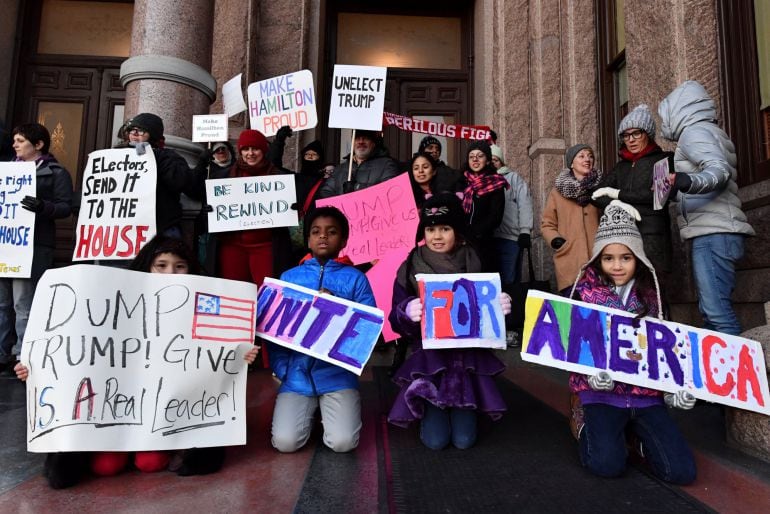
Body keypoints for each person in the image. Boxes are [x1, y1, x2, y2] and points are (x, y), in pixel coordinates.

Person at [14, 235, 258, 487]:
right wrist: (33, 370)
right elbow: (73, 354)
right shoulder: (114, 300)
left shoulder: (201, 306)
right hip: (115, 410)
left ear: (190, 269)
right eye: (161, 265)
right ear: (147, 266)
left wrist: (239, 357)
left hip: (162, 415)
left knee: (148, 463)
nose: (170, 273)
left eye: (179, 266)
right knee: (106, 467)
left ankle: (175, 449)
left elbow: (214, 357)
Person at [568, 200, 696, 485]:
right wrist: (589, 376)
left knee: (681, 471)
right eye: (608, 258)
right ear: (597, 259)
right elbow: (570, 347)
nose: (617, 265)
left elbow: (668, 351)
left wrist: (676, 390)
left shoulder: (653, 297)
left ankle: (637, 440)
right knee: (607, 465)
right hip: (602, 393)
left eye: (625, 257)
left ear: (638, 257)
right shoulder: (582, 295)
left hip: (646, 395)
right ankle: (584, 423)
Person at [388, 193, 511, 449]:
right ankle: (429, 411)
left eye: (445, 228)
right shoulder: (411, 264)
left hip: (468, 360)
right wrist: (406, 311)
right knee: (436, 441)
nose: (437, 236)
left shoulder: (476, 259)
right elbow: (394, 318)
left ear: (458, 230)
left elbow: (490, 303)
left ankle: (468, 409)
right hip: (431, 362)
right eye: (431, 229)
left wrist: (501, 306)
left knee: (464, 441)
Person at [268, 206, 376, 453]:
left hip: (338, 377)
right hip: (296, 377)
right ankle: (312, 416)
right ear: (308, 239)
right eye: (316, 231)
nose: (323, 236)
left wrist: (336, 303)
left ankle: (328, 418)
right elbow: (273, 334)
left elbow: (368, 331)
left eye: (332, 232)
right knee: (285, 443)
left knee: (343, 443)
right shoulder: (289, 277)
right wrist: (282, 368)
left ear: (344, 240)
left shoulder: (356, 279)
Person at [658, 80, 755, 336]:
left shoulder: (694, 133)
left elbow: (718, 171)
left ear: (679, 109)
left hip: (714, 233)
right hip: (718, 230)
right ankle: (718, 373)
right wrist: (676, 189)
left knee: (717, 315)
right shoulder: (709, 131)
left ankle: (732, 374)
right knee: (713, 313)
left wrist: (687, 181)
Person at [1, 123, 73, 372]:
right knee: (2, 303)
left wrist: (43, 207)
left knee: (23, 303)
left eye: (20, 140)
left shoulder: (56, 173)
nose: (15, 145)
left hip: (33, 246)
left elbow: (66, 207)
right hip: (6, 244)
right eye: (14, 140)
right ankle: (2, 352)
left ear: (38, 144)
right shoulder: (6, 172)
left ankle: (22, 354)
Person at [592, 104, 675, 281]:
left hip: (653, 239)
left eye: (636, 133)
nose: (631, 139)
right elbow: (596, 195)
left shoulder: (664, 160)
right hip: (624, 239)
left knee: (655, 291)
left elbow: (654, 196)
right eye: (626, 135)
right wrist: (615, 203)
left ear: (648, 134)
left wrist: (617, 194)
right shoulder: (620, 167)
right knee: (629, 295)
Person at [204, 129, 293, 285]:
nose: (250, 153)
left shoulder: (278, 177)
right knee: (235, 296)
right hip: (232, 247)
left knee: (266, 295)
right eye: (245, 149)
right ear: (240, 151)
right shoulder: (224, 176)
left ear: (263, 150)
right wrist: (211, 210)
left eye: (255, 148)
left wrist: (291, 206)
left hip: (266, 247)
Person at [117, 113, 195, 238]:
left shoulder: (168, 157)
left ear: (152, 135)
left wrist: (155, 157)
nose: (135, 134)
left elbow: (181, 182)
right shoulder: (115, 156)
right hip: (125, 230)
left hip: (161, 228)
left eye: (141, 131)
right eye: (132, 130)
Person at [541, 144, 602, 295]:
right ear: (571, 163)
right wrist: (557, 241)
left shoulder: (601, 188)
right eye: (581, 156)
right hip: (569, 257)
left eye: (590, 156)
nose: (587, 159)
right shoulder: (558, 192)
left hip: (598, 258)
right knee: (573, 311)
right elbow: (547, 223)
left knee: (599, 311)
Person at [459, 140, 508, 272]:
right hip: (459, 244)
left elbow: (495, 217)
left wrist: (472, 234)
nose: (475, 160)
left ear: (487, 160)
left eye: (480, 156)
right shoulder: (459, 182)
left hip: (483, 244)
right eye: (471, 156)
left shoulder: (496, 184)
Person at [490, 143, 533, 284]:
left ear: (501, 162)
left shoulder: (513, 178)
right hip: (488, 238)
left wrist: (525, 231)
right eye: (489, 160)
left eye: (495, 160)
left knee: (510, 281)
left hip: (510, 238)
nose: (492, 163)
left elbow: (524, 203)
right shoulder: (482, 181)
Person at [318, 130, 400, 198]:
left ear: (373, 144)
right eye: (357, 138)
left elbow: (390, 192)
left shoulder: (387, 165)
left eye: (366, 138)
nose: (361, 142)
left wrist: (356, 187)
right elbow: (326, 192)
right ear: (353, 143)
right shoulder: (340, 168)